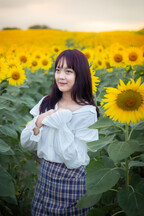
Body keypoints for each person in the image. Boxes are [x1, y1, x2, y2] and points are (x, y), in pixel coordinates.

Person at [20, 49, 99, 216]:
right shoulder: (47, 103)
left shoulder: (87, 112)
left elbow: (74, 159)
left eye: (68, 71)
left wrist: (61, 124)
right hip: (45, 176)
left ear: (81, 75)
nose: (61, 76)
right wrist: (39, 121)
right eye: (58, 70)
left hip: (72, 180)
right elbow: (26, 143)